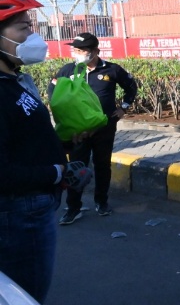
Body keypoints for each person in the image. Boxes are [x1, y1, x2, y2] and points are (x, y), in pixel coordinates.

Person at [0, 0, 92, 303]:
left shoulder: (15, 81)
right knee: (26, 300)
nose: (33, 36)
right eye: (23, 27)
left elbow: (23, 139)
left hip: (33, 206)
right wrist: (55, 172)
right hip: (19, 211)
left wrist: (64, 144)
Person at [47, 32, 138, 225]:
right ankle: (73, 208)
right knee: (76, 167)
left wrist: (123, 108)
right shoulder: (67, 70)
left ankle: (101, 202)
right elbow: (53, 90)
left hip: (104, 128)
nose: (77, 54)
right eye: (76, 50)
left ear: (96, 51)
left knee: (102, 165)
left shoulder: (112, 70)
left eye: (82, 50)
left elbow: (131, 86)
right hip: (78, 132)